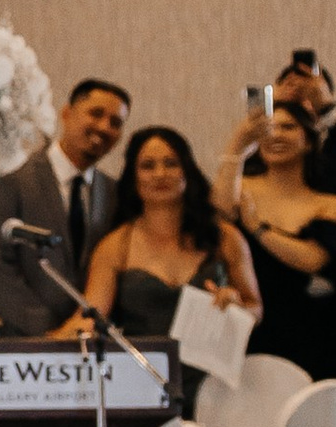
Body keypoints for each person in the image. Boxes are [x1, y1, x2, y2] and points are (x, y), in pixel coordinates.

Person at [77, 127, 258, 408]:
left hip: (215, 387)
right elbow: (91, 316)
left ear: (187, 169)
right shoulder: (115, 246)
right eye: (148, 166)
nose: (160, 174)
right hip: (142, 386)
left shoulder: (224, 237)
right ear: (133, 177)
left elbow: (255, 307)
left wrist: (235, 304)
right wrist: (45, 342)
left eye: (171, 163)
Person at [218, 93, 336, 385]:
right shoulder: (242, 188)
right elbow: (220, 212)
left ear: (309, 140)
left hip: (325, 333)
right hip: (260, 328)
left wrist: (258, 228)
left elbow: (313, 258)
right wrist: (238, 143)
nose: (275, 134)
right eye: (269, 128)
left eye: (288, 127)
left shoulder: (329, 203)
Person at [0, 76, 129, 333]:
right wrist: (50, 331)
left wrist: (79, 327)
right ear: (66, 113)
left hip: (82, 345)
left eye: (116, 123)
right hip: (11, 342)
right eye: (96, 114)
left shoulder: (114, 193)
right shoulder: (9, 178)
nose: (104, 127)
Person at [273, 52, 336, 212]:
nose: (300, 102)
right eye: (291, 88)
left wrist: (327, 108)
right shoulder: (264, 143)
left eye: (309, 93)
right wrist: (274, 107)